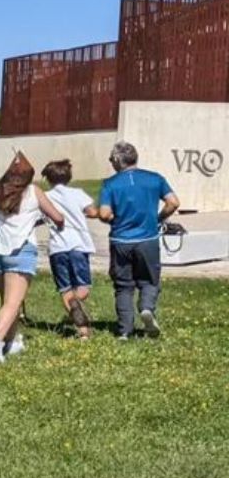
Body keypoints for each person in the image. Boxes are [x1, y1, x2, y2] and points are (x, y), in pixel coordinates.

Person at [0, 152, 64, 363]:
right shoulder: (33, 192)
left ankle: (12, 341)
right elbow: (58, 217)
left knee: (7, 302)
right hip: (21, 251)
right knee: (14, 302)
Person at [98, 141, 180, 340]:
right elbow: (173, 202)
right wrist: (158, 218)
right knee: (150, 281)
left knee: (123, 286)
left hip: (120, 240)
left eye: (111, 160)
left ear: (118, 160)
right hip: (148, 239)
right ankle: (146, 308)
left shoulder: (110, 184)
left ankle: (125, 330)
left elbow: (104, 213)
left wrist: (112, 218)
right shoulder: (155, 179)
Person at [41, 159, 99, 340]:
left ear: (48, 179)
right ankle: (77, 305)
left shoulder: (45, 196)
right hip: (78, 245)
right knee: (83, 287)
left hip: (57, 247)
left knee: (65, 289)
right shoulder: (77, 193)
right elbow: (93, 212)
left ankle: (82, 330)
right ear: (69, 177)